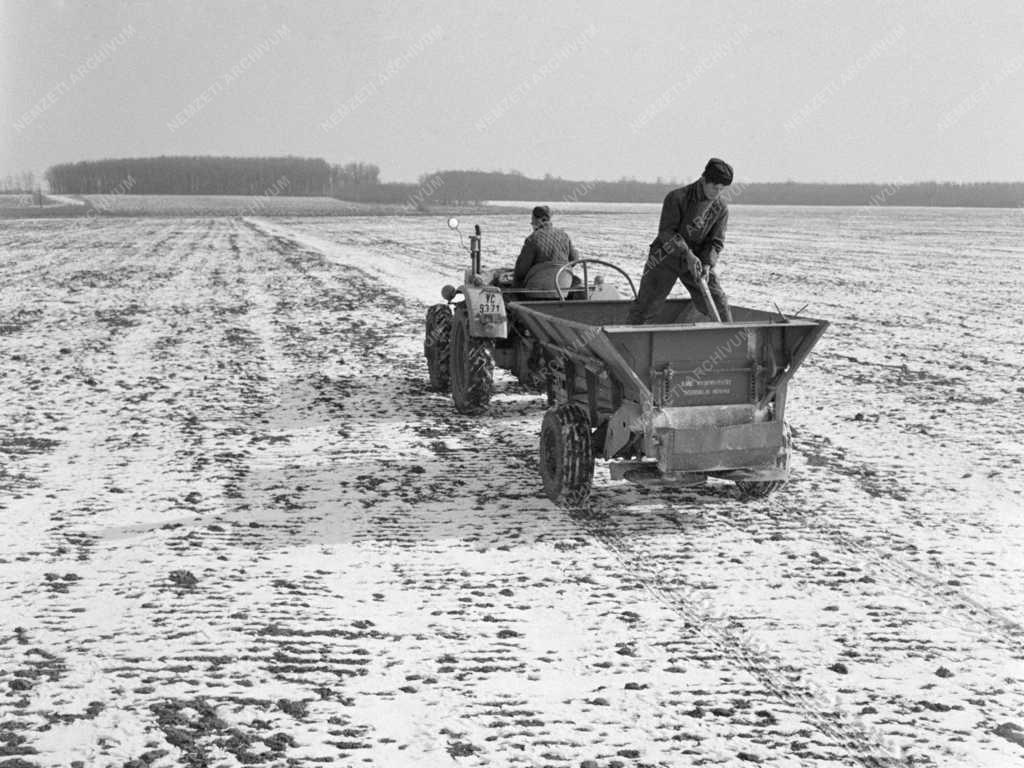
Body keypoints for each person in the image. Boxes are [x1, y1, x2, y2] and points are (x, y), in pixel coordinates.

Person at [626, 158, 734, 323]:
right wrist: (687, 254)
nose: (716, 192)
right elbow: (667, 232)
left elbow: (715, 242)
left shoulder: (721, 208)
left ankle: (729, 340)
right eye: (714, 187)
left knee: (718, 302)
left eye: (721, 189)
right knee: (647, 306)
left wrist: (707, 263)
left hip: (697, 262)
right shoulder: (677, 197)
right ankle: (627, 342)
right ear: (703, 180)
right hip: (664, 256)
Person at [513, 205, 579, 299]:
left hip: (535, 292)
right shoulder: (564, 236)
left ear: (540, 220)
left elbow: (521, 271)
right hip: (561, 290)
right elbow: (574, 260)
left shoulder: (533, 239)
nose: (531, 223)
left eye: (532, 220)